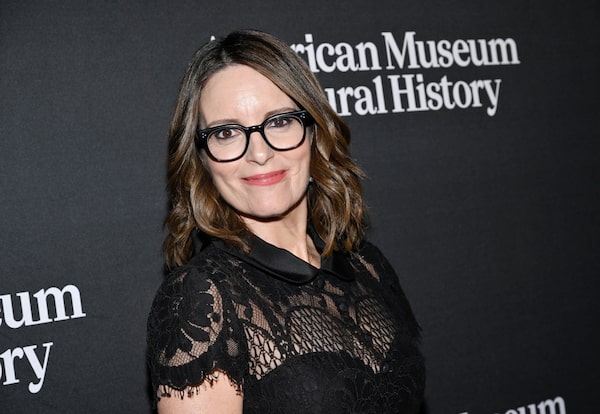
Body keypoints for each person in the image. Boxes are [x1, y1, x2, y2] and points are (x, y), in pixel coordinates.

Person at [147, 29, 425, 414]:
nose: (259, 153)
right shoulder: (200, 298)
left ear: (313, 131)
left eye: (279, 122)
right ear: (202, 158)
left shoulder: (369, 265)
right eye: (227, 132)